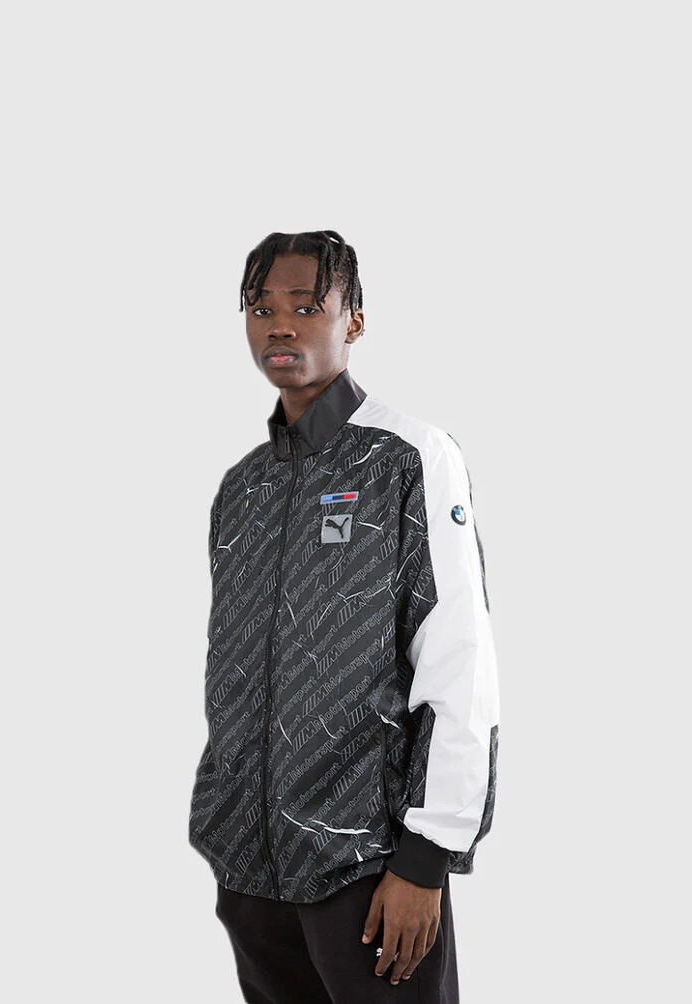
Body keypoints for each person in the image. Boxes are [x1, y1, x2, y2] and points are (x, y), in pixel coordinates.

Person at [189, 230, 500, 1003]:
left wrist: (426, 857)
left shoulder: (407, 457)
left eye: (306, 307)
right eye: (261, 308)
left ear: (353, 320)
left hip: (365, 869)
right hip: (250, 871)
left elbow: (458, 659)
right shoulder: (243, 488)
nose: (280, 326)